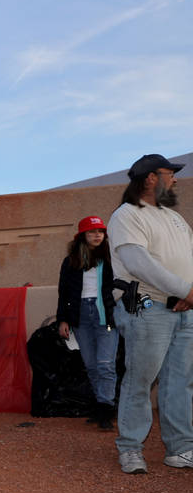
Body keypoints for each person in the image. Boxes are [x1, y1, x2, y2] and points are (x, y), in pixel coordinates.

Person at [107, 153, 193, 474]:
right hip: (147, 307)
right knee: (140, 379)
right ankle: (130, 448)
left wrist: (188, 293)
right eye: (170, 174)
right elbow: (139, 263)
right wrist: (185, 290)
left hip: (183, 309)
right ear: (151, 178)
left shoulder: (174, 218)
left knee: (180, 381)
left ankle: (181, 448)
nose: (175, 179)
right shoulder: (127, 215)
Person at [56, 215, 119, 430]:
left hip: (105, 316)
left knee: (105, 365)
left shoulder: (112, 258)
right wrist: (62, 319)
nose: (97, 235)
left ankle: (106, 410)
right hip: (80, 315)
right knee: (91, 365)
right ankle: (99, 406)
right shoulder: (71, 261)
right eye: (92, 232)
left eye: (100, 232)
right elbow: (63, 292)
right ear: (82, 236)